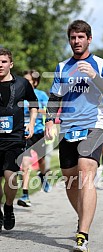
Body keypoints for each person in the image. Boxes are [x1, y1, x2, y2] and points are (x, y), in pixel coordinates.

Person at [45, 20, 103, 252]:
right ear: (69, 40)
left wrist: (95, 77)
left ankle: (82, 234)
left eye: (80, 37)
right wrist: (49, 120)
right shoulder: (62, 66)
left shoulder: (101, 64)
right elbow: (54, 97)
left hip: (93, 125)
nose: (76, 41)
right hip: (68, 128)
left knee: (86, 171)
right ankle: (83, 217)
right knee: (70, 179)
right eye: (73, 37)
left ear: (89, 39)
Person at [0, 48, 38, 231]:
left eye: (4, 62)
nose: (0, 65)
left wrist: (31, 124)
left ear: (11, 64)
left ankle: (8, 206)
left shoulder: (22, 83)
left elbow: (34, 104)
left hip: (15, 138)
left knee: (11, 176)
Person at [17, 70, 52, 207]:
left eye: (28, 81)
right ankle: (25, 195)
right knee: (25, 163)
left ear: (35, 82)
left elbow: (48, 110)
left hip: (38, 132)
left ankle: (43, 175)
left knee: (41, 159)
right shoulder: (18, 95)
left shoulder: (41, 95)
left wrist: (35, 109)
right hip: (23, 133)